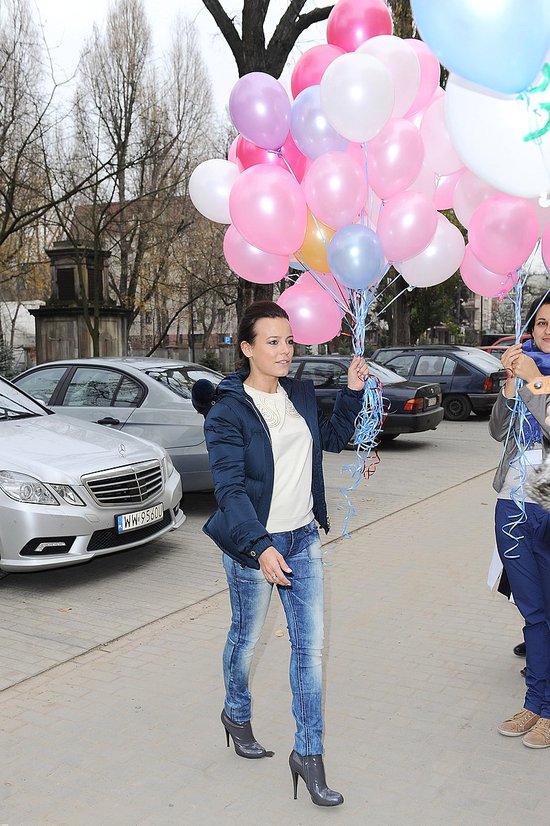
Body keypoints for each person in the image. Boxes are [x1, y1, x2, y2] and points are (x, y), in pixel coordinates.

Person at [193, 300, 367, 806]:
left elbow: (332, 439)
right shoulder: (227, 411)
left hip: (303, 538)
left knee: (309, 651)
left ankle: (309, 755)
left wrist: (353, 394)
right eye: (273, 341)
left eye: (288, 340)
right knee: (247, 639)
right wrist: (260, 545)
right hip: (252, 545)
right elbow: (229, 489)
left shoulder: (300, 394)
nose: (285, 350)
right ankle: (236, 711)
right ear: (247, 348)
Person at [490, 294, 550, 748]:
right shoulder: (524, 366)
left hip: (547, 495)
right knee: (531, 611)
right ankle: (534, 703)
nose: (545, 331)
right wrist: (511, 387)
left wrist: (536, 382)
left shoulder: (539, 373)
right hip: (514, 498)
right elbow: (498, 433)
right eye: (540, 323)